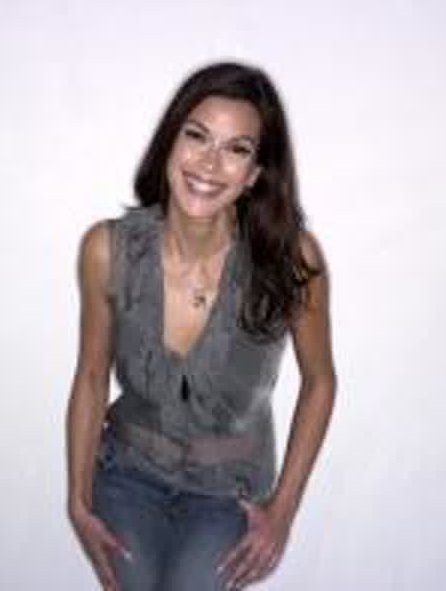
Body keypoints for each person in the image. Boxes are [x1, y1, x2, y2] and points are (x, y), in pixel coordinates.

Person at [66, 61, 336, 591]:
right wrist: (77, 500)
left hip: (229, 491)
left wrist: (282, 511)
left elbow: (320, 382)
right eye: (197, 136)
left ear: (255, 173)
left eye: (237, 149)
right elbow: (92, 376)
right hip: (127, 473)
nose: (209, 163)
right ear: (170, 141)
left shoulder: (291, 259)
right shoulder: (107, 248)